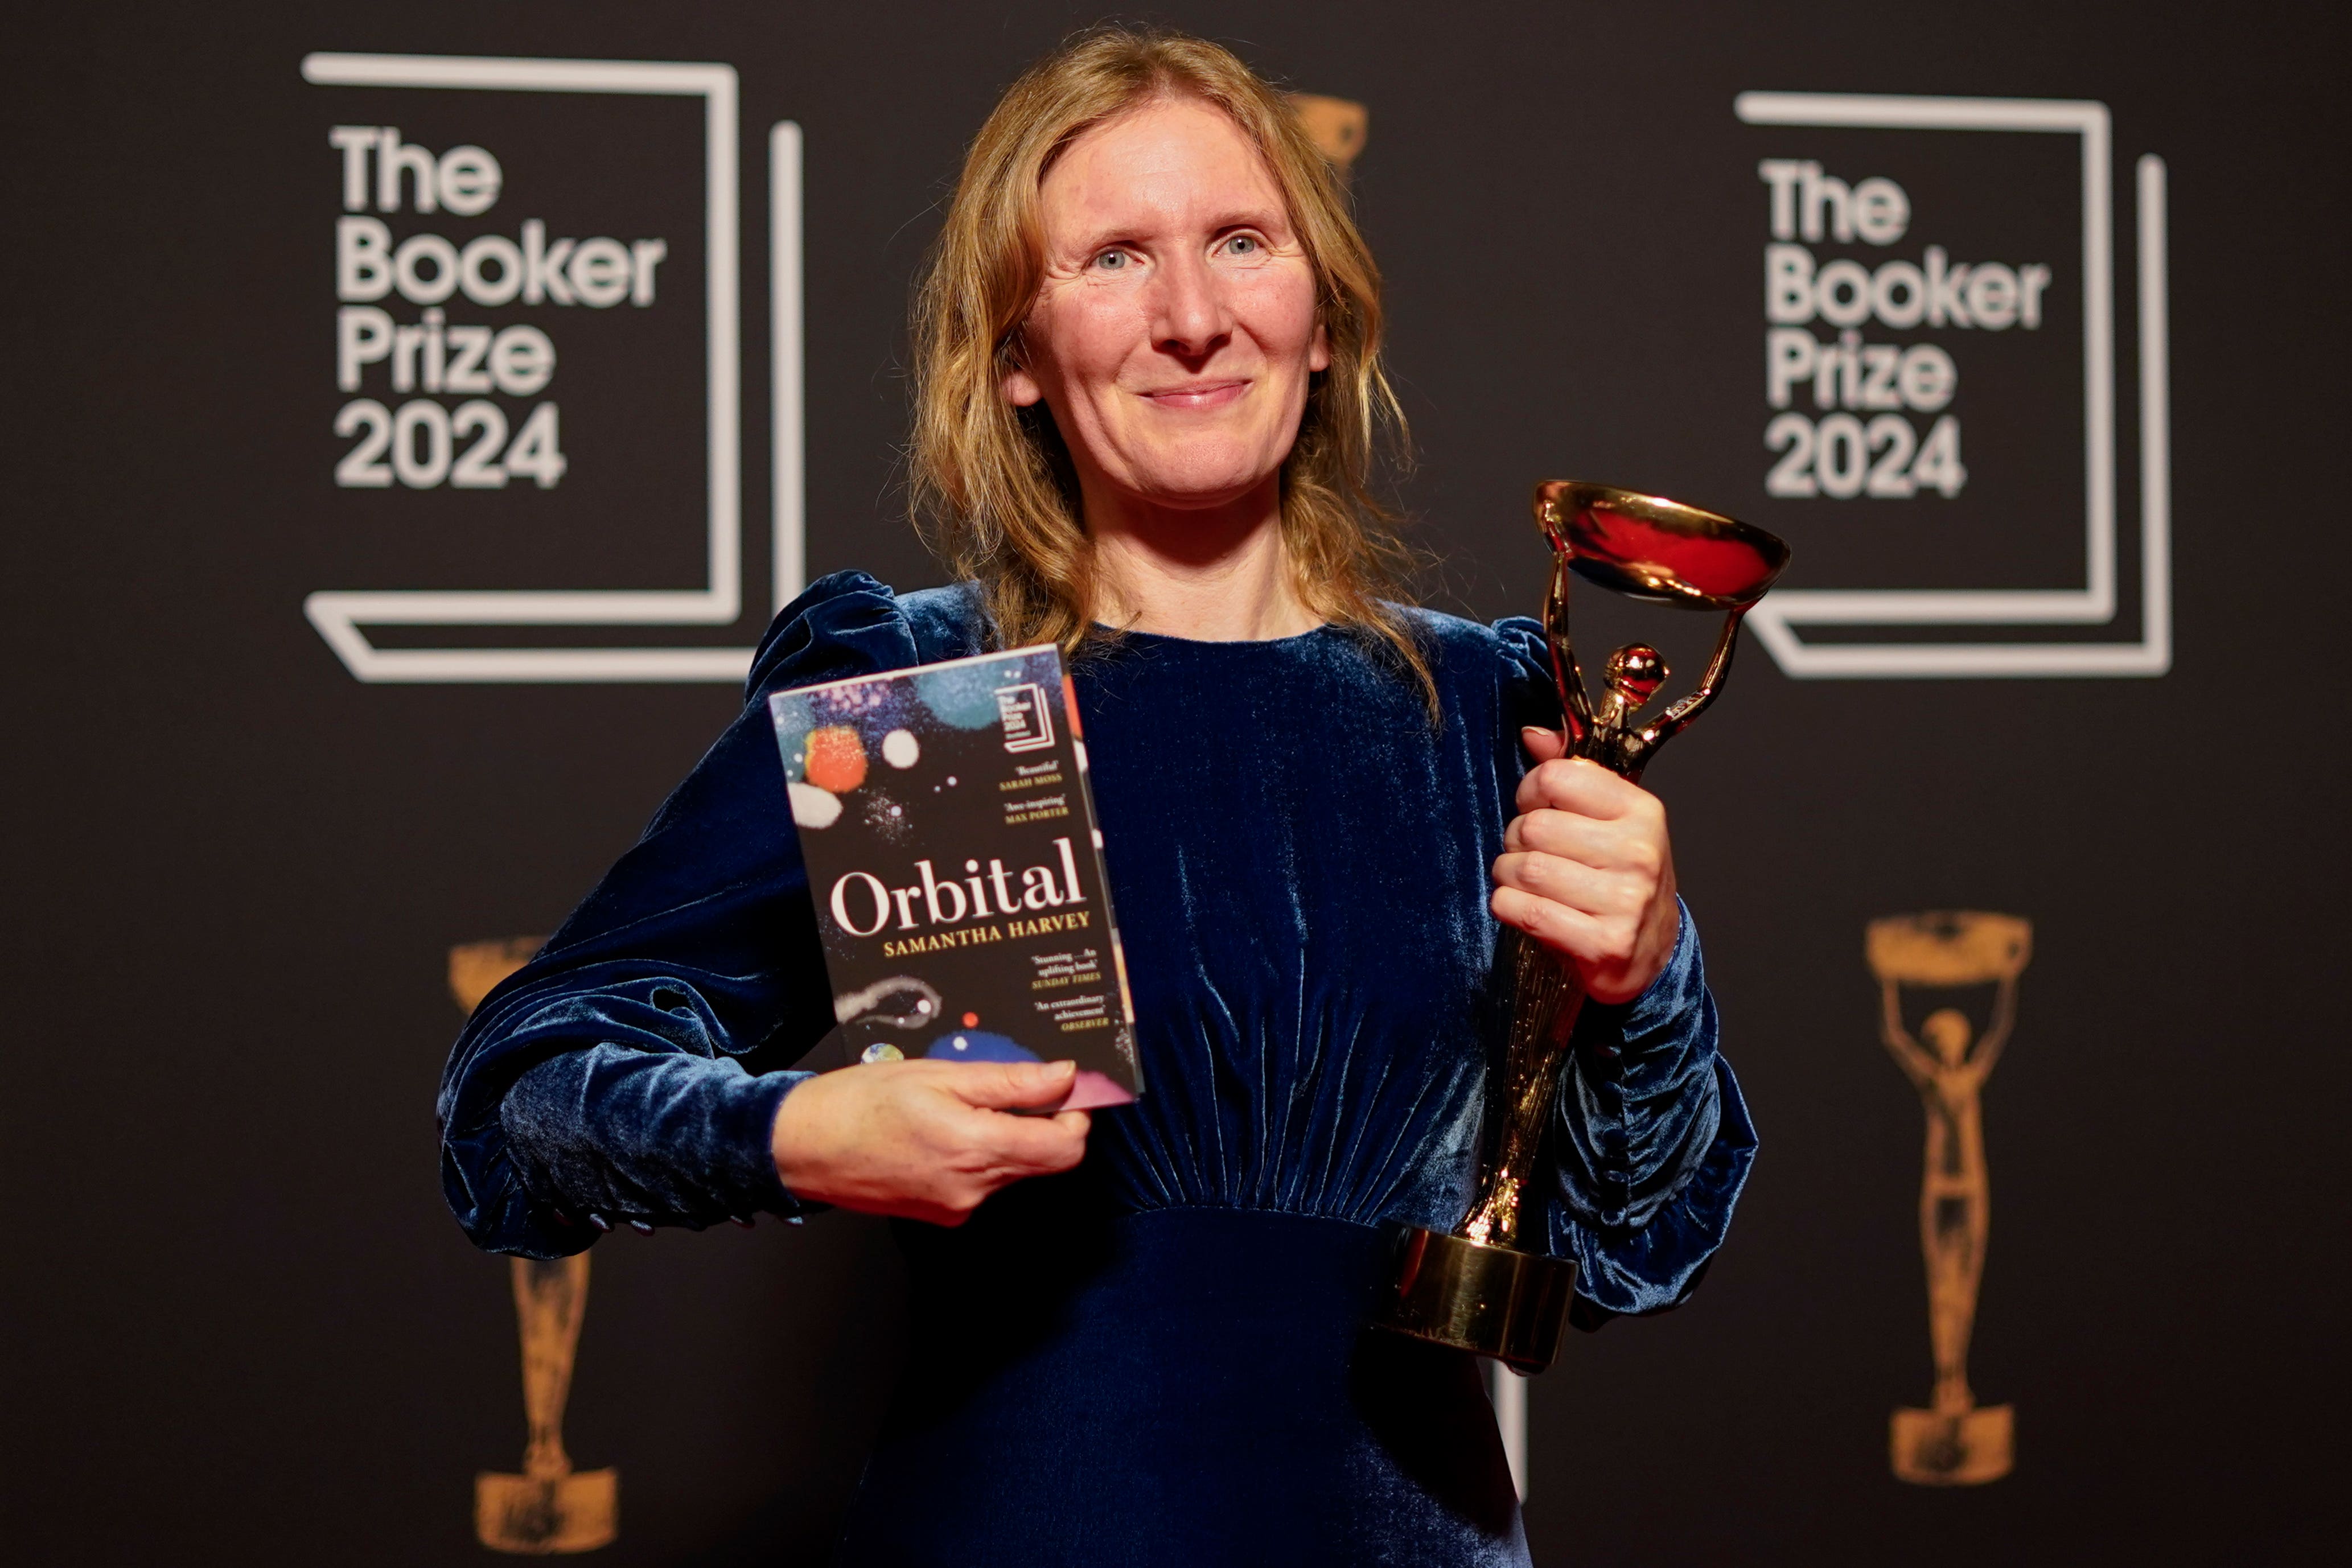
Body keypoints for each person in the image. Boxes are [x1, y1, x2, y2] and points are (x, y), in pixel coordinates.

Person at [440, 27, 1754, 1566]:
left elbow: (1632, 1248)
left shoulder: (1492, 706)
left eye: (1239, 242)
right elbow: (513, 1102)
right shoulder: (924, 695)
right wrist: (796, 1128)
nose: (1191, 317)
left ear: (1318, 310)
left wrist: (1644, 974)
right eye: (1114, 259)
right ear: (1013, 353)